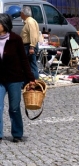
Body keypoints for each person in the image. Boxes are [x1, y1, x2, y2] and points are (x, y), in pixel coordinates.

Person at [0, 13, 36, 143]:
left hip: (14, 79)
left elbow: (24, 60)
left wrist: (31, 78)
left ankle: (17, 133)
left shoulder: (16, 39)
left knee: (14, 107)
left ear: (5, 25)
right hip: (0, 80)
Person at [20, 6, 39, 80]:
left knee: (31, 64)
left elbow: (33, 35)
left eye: (21, 13)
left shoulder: (30, 22)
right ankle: (30, 80)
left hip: (29, 46)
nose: (20, 15)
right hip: (27, 46)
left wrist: (32, 47)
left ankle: (34, 81)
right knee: (28, 64)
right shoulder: (28, 21)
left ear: (23, 13)